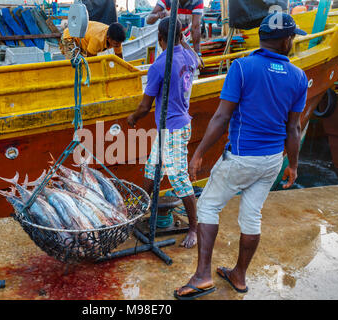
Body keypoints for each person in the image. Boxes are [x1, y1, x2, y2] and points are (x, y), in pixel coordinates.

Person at [174, 12, 308, 299]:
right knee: (251, 216)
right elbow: (293, 127)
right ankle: (239, 276)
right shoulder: (299, 76)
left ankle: (202, 276)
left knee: (208, 206)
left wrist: (198, 153)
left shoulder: (242, 67)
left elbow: (222, 116)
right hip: (272, 160)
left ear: (261, 38)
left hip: (241, 157)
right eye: (292, 37)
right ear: (285, 40)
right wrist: (293, 165)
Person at [127, 17, 200, 249]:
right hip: (174, 126)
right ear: (181, 37)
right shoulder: (189, 56)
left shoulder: (159, 65)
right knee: (153, 168)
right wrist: (183, 41)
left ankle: (194, 228)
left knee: (178, 178)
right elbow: (199, 61)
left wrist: (133, 118)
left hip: (174, 129)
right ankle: (135, 215)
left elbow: (145, 106)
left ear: (160, 39)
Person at [60, 21, 126, 59]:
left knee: (82, 63)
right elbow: (91, 60)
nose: (118, 45)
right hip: (70, 36)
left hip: (84, 39)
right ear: (108, 37)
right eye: (116, 43)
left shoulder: (117, 39)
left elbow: (119, 57)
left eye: (120, 43)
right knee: (74, 62)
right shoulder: (97, 39)